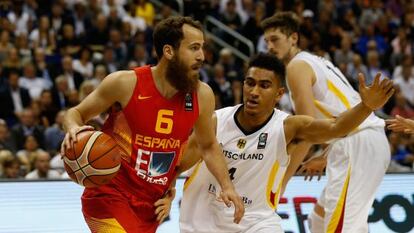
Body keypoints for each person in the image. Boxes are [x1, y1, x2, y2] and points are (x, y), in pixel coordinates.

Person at [60, 16, 244, 233]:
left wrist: (226, 186)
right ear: (169, 51)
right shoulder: (125, 83)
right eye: (194, 48)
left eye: (202, 48)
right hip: (108, 195)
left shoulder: (201, 95)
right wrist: (73, 128)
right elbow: (76, 113)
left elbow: (207, 146)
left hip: (151, 205)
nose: (201, 56)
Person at [179, 53, 394, 233]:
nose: (254, 92)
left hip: (257, 223)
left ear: (279, 94)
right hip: (203, 220)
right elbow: (180, 164)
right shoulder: (216, 122)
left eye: (264, 86)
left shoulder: (288, 127)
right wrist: (168, 188)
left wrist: (366, 107)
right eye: (250, 83)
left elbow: (335, 128)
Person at [262, 12, 392, 233]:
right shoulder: (314, 60)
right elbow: (335, 116)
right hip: (358, 140)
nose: (270, 47)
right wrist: (326, 154)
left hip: (357, 143)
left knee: (341, 229)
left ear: (293, 38)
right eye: (266, 42)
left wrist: (280, 184)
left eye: (275, 39)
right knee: (319, 221)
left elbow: (305, 131)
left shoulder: (296, 67)